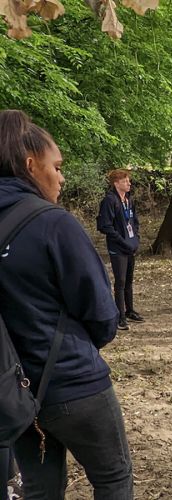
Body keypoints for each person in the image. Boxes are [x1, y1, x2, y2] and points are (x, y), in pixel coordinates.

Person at [0, 110, 133, 498]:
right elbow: (102, 312)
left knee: (39, 491)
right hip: (76, 383)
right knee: (113, 479)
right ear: (30, 165)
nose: (61, 177)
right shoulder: (54, 223)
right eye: (56, 167)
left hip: (14, 393)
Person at [97, 169, 143, 331]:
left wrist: (136, 238)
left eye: (129, 181)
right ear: (116, 183)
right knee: (121, 281)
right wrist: (122, 241)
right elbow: (104, 226)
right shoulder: (110, 201)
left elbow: (134, 221)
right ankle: (120, 315)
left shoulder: (128, 200)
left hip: (130, 245)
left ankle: (130, 310)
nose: (129, 183)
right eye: (125, 181)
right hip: (118, 247)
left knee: (129, 280)